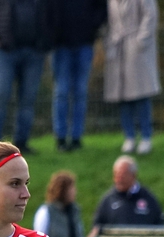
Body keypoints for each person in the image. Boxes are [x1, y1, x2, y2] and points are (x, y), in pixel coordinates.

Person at [0, 0, 51, 154]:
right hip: (4, 51)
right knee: (0, 95)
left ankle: (21, 143)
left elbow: (52, 12)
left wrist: (45, 40)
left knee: (28, 99)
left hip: (34, 51)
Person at [49, 0, 107, 151]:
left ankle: (76, 137)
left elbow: (101, 8)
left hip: (84, 43)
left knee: (80, 92)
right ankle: (61, 138)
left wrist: (91, 28)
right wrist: (53, 33)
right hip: (60, 45)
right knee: (62, 92)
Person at [105, 0, 160, 155]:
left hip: (136, 48)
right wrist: (108, 41)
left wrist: (141, 40)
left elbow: (150, 15)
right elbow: (108, 21)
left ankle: (146, 136)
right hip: (117, 47)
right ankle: (129, 136)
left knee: (141, 93)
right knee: (122, 95)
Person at [32, 171, 84, 237]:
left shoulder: (74, 211)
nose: (75, 191)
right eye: (71, 188)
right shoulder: (46, 212)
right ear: (63, 190)